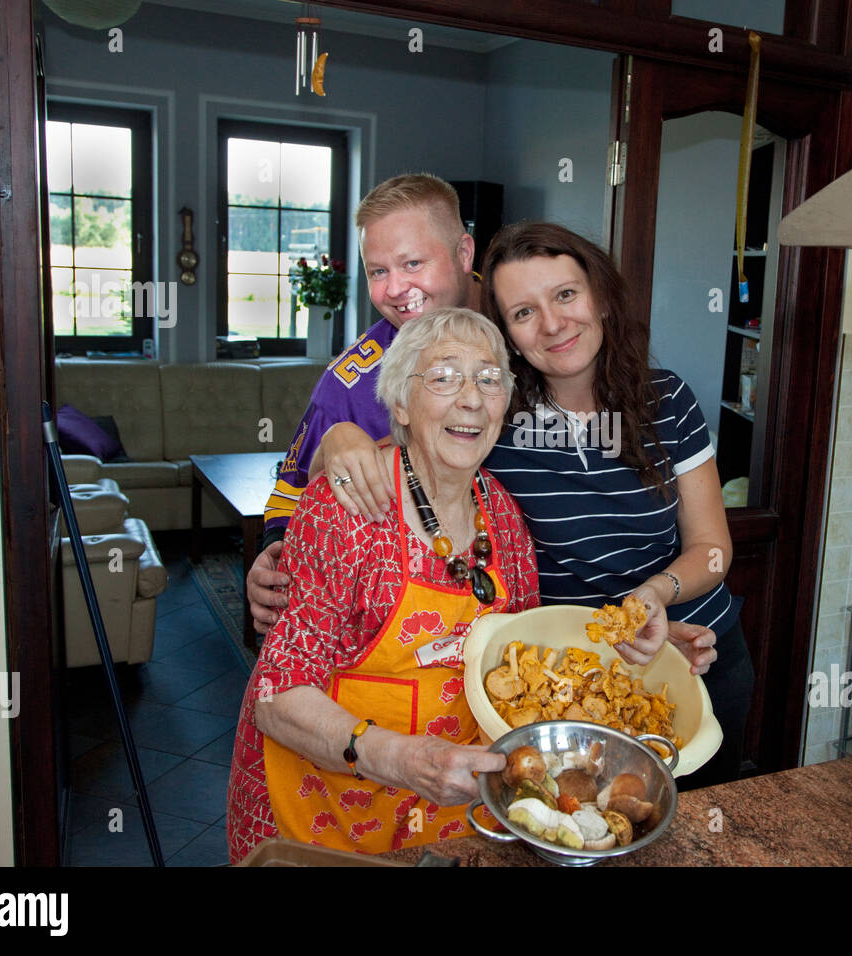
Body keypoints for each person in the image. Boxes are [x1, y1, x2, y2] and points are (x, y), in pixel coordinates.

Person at [311, 223, 751, 789]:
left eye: (565, 295)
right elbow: (404, 449)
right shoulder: (494, 413)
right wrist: (337, 435)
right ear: (509, 336)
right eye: (523, 312)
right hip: (573, 682)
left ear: (600, 297)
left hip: (697, 659)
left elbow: (713, 548)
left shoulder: (667, 400)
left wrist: (652, 598)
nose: (551, 324)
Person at [227, 308, 539, 861]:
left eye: (489, 379)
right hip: (326, 809)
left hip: (448, 812)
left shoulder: (505, 518)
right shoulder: (345, 506)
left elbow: (524, 671)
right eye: (443, 376)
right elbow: (276, 698)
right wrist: (405, 761)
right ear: (400, 404)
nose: (471, 397)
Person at [248, 173, 482, 636]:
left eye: (412, 263)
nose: (395, 289)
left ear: (463, 253)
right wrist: (274, 554)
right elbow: (287, 498)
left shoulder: (529, 327)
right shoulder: (348, 385)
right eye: (378, 271)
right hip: (405, 623)